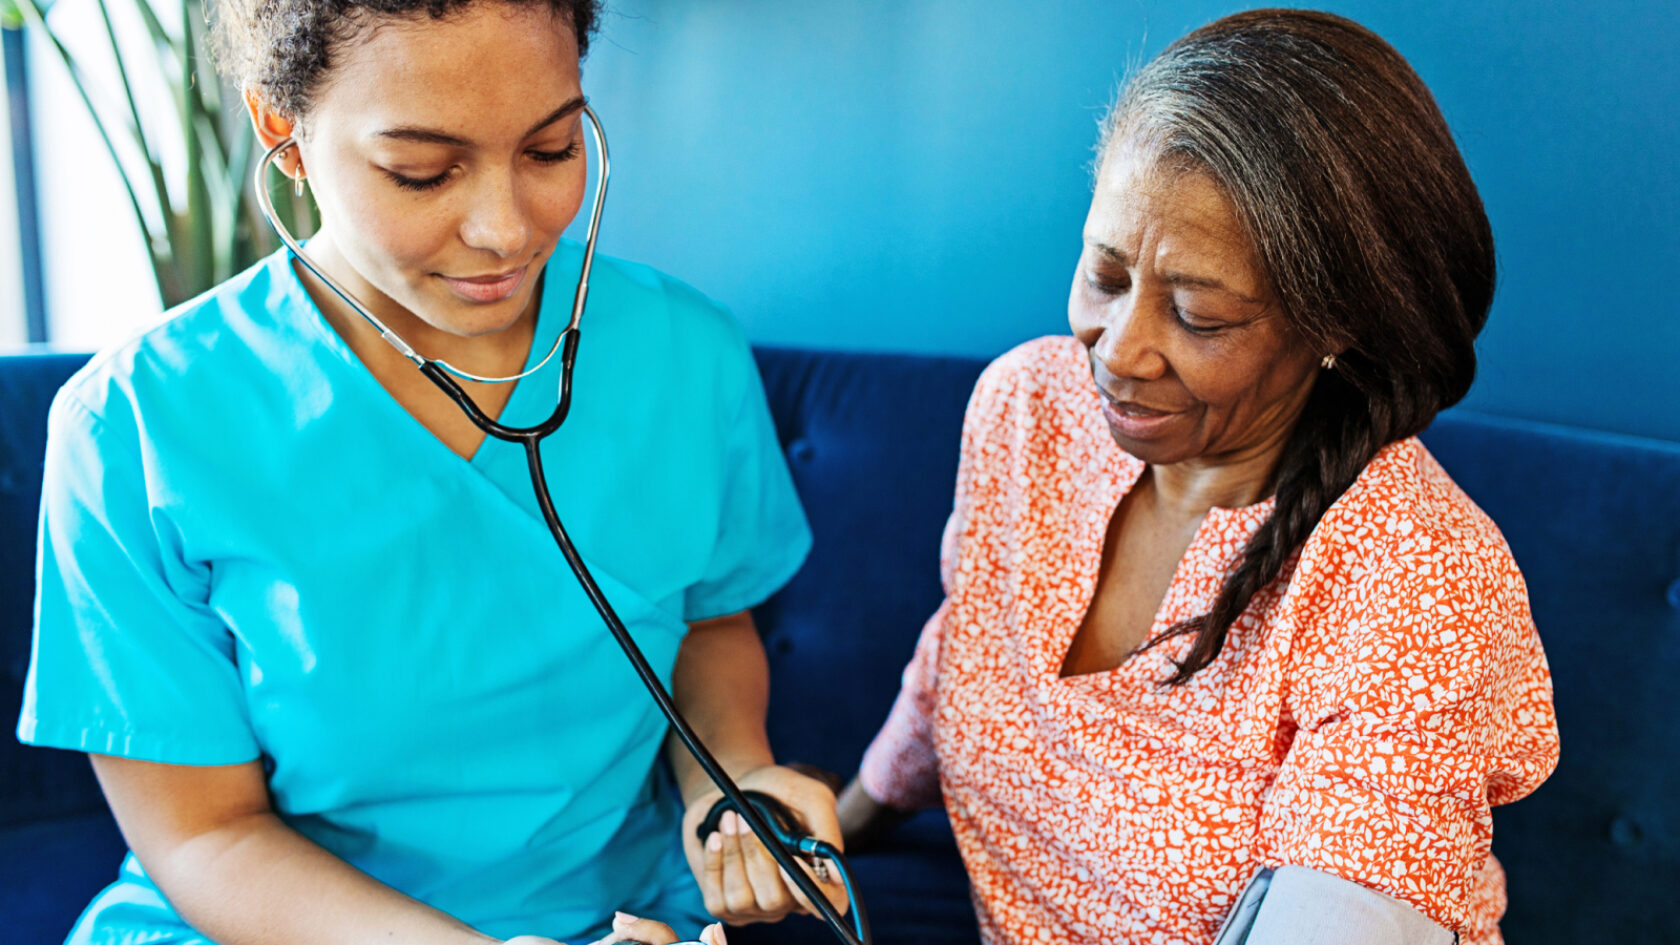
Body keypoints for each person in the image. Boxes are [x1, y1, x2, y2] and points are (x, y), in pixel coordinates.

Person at [15, 2, 845, 944]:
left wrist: (729, 783)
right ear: (282, 133)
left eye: (550, 149)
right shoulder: (132, 427)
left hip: (634, 915)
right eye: (421, 172)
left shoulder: (687, 354)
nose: (504, 231)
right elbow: (206, 834)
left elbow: (707, 618)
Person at [836, 10, 1559, 945]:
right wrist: (835, 821)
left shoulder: (1418, 578)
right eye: (1104, 273)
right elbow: (966, 654)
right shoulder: (1029, 408)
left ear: (1336, 323)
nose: (1121, 352)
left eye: (1197, 315)